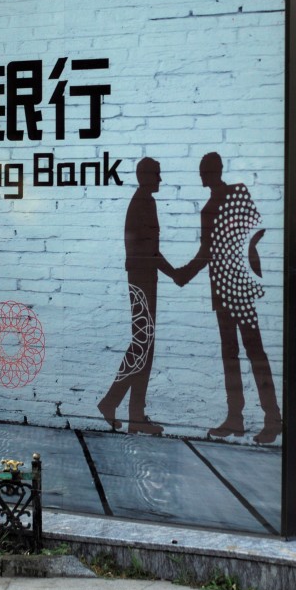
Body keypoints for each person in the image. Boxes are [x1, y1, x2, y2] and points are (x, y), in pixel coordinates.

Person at [173, 152, 282, 444]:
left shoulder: (228, 199)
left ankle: (271, 418)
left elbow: (250, 234)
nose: (203, 177)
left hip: (233, 287)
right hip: (228, 288)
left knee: (248, 352)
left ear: (208, 174)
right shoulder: (220, 203)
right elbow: (217, 249)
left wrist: (185, 273)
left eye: (203, 171)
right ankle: (239, 417)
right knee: (236, 353)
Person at [97, 157, 181, 434]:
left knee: (144, 345)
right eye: (157, 174)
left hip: (144, 278)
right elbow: (149, 250)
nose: (160, 179)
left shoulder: (143, 200)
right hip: (143, 279)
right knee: (142, 344)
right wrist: (175, 273)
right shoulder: (144, 202)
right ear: (145, 176)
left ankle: (134, 415)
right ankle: (112, 403)